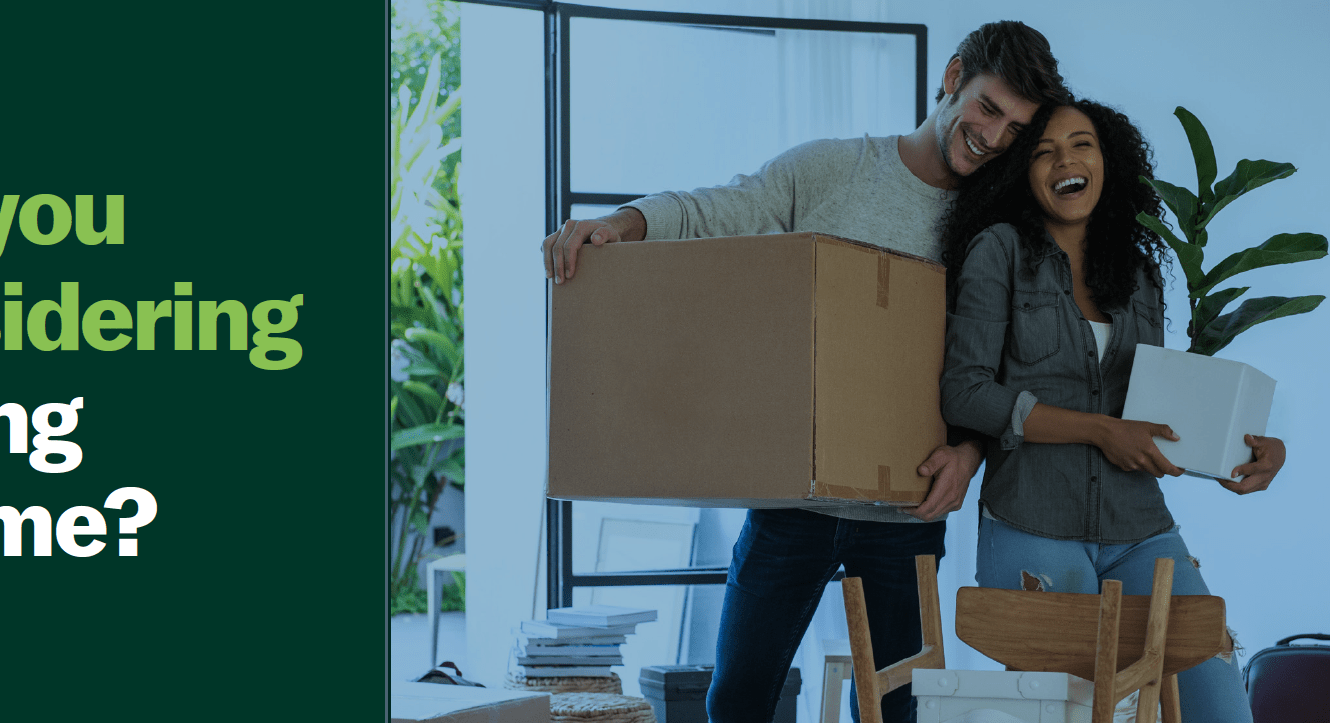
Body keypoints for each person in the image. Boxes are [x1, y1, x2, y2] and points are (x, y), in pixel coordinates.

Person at [541, 21, 1068, 723]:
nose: (994, 137)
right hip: (790, 499)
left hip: (904, 510)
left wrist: (970, 452)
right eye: (988, 108)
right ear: (951, 77)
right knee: (737, 699)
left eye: (1015, 128)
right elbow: (724, 207)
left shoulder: (991, 223)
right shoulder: (833, 169)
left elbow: (1000, 357)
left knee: (893, 710)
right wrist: (622, 224)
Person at [938, 99, 1287, 723]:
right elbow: (966, 392)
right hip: (1033, 526)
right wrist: (1101, 431)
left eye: (1082, 144)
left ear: (1109, 161)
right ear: (1022, 170)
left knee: (1220, 705)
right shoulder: (1000, 252)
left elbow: (1154, 415)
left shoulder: (1139, 273)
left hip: (1140, 528)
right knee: (1084, 712)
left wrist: (1251, 450)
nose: (1065, 161)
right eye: (1043, 151)